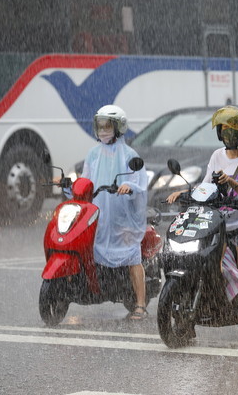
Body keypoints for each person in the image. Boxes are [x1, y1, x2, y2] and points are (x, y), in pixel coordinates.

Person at [166, 106, 238, 344]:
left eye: (232, 130)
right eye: (223, 130)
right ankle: (193, 315)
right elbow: (206, 187)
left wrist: (231, 182)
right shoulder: (216, 156)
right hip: (218, 220)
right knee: (202, 262)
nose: (227, 135)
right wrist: (185, 192)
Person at [77, 105, 149, 320]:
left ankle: (140, 304)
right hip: (99, 215)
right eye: (100, 125)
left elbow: (139, 181)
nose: (103, 130)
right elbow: (85, 179)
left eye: (107, 125)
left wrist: (129, 186)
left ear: (118, 127)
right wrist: (68, 185)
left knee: (132, 255)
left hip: (122, 216)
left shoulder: (130, 154)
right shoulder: (93, 153)